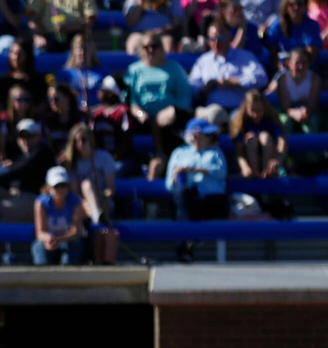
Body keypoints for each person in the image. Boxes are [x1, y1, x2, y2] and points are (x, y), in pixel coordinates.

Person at [123, 35, 193, 179]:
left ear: (162, 48)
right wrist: (139, 112)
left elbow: (184, 98)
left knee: (163, 120)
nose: (150, 50)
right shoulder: (134, 70)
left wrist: (171, 111)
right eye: (146, 47)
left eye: (154, 46)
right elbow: (130, 100)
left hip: (170, 119)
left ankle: (162, 157)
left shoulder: (174, 69)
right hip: (142, 119)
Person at [166, 116, 228, 261]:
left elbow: (221, 173)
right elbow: (169, 184)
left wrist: (196, 170)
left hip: (211, 201)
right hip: (187, 200)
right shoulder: (179, 153)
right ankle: (188, 243)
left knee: (184, 206)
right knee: (181, 195)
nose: (211, 137)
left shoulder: (216, 152)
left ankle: (185, 245)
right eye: (207, 134)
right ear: (195, 136)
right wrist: (177, 178)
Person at [0, 117, 54, 224]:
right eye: (21, 136)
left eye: (29, 136)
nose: (25, 140)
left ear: (38, 136)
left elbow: (20, 172)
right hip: (18, 195)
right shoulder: (22, 155)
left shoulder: (42, 153)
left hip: (36, 199)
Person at [61, 121, 119, 259]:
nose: (80, 144)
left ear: (91, 139)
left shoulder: (104, 157)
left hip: (103, 200)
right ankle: (96, 216)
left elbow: (110, 189)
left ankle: (97, 216)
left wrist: (102, 197)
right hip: (83, 205)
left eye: (84, 139)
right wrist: (91, 205)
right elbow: (76, 194)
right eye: (76, 141)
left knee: (88, 186)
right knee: (86, 186)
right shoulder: (72, 163)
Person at [189, 22, 268, 111]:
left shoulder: (244, 56)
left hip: (238, 110)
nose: (216, 43)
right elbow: (192, 86)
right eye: (212, 39)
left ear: (230, 38)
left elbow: (261, 79)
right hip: (210, 110)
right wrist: (204, 90)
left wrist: (234, 82)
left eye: (221, 38)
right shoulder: (203, 61)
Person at [32, 164, 87, 264]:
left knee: (75, 245)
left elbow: (76, 232)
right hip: (49, 241)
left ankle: (68, 276)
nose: (60, 190)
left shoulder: (75, 201)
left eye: (63, 185)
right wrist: (50, 239)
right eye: (56, 186)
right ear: (49, 187)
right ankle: (40, 277)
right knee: (39, 246)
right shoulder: (41, 203)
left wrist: (59, 240)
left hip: (68, 240)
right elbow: (40, 233)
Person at [231, 88, 286, 178]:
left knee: (265, 136)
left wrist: (277, 160)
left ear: (264, 107)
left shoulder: (271, 119)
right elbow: (239, 150)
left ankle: (267, 171)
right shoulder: (241, 123)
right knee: (250, 138)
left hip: (269, 157)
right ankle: (255, 171)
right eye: (253, 111)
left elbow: (282, 142)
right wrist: (244, 167)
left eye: (259, 110)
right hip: (249, 159)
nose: (256, 115)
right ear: (246, 108)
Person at [25, 0, 97, 52]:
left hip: (77, 36)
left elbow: (90, 19)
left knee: (82, 49)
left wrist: (71, 26)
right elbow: (32, 17)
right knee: (39, 50)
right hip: (48, 37)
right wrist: (37, 36)